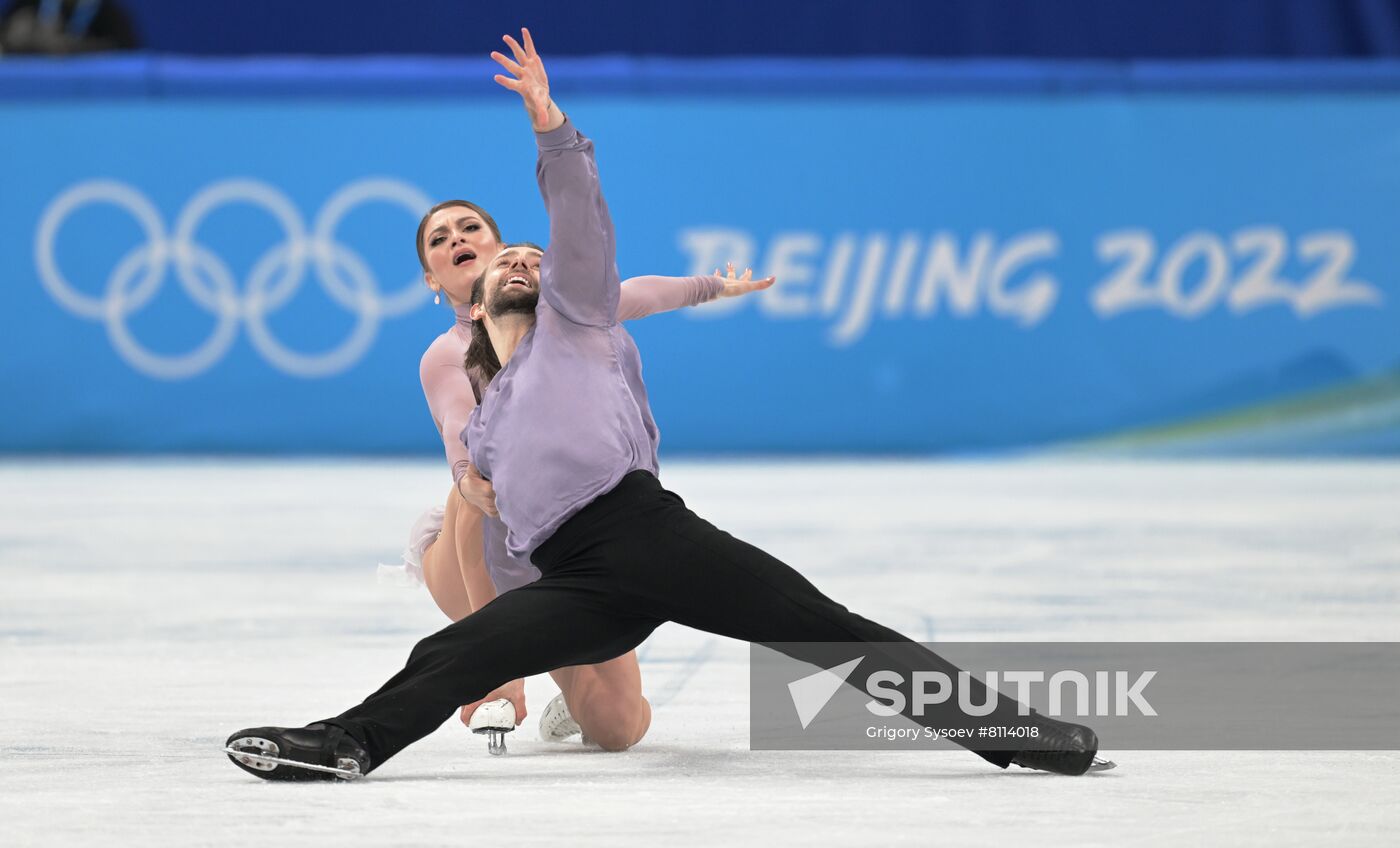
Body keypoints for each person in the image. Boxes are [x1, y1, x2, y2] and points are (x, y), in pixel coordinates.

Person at [225, 28, 1110, 781]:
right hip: (575, 576)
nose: (519, 263)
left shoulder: (575, 321)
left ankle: (1017, 736)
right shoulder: (483, 406)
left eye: (528, 256)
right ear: (461, 294)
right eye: (505, 263)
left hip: (649, 535)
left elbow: (581, 220)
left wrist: (549, 125)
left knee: (828, 631)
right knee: (452, 656)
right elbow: (481, 498)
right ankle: (340, 746)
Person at [403, 201, 771, 750]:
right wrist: (464, 475)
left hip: (576, 547)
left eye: (471, 227)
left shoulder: (580, 318)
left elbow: (647, 292)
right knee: (480, 479)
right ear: (433, 278)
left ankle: (567, 691)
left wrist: (713, 287)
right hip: (480, 549)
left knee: (616, 728)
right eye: (440, 238)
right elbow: (460, 428)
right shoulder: (446, 355)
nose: (457, 237)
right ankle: (497, 676)